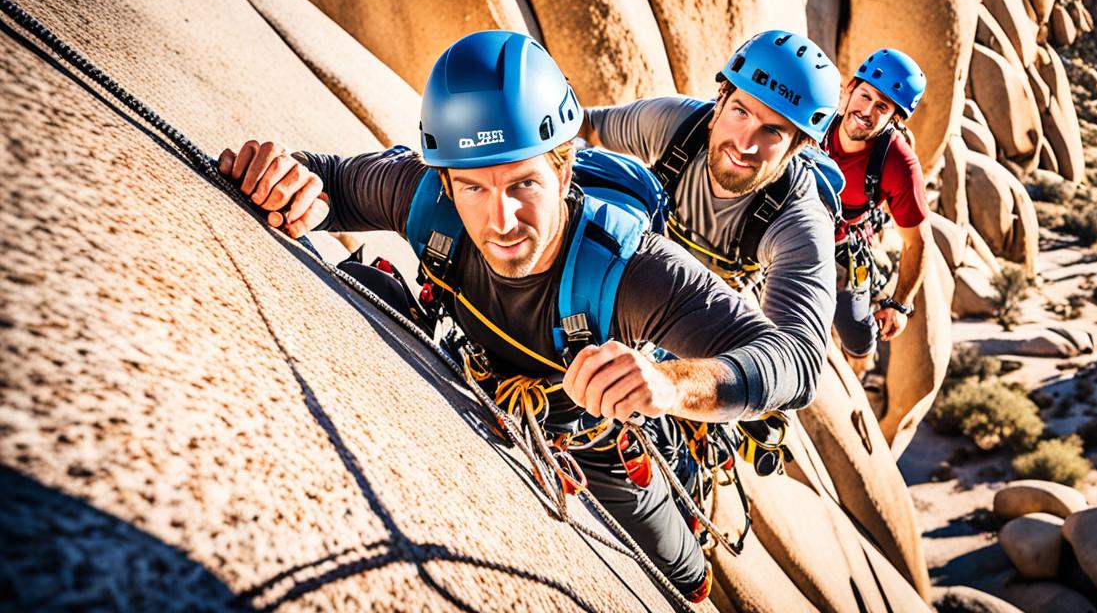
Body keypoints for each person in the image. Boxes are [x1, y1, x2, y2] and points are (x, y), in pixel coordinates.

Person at [217, 31, 821, 601]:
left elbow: (794, 362)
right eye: (474, 188)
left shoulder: (631, 268)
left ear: (563, 170)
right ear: (446, 180)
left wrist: (671, 385)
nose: (501, 220)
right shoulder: (425, 193)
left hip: (593, 435)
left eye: (524, 183)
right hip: (479, 368)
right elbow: (334, 182)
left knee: (682, 572)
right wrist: (287, 178)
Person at [579, 30, 842, 392]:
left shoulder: (798, 221)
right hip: (633, 275)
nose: (745, 144)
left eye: (772, 133)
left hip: (702, 316)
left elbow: (799, 360)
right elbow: (587, 126)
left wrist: (672, 385)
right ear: (720, 100)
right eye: (740, 112)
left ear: (797, 146)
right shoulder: (675, 126)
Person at [822, 49, 932, 411]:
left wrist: (900, 305)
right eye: (865, 96)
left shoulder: (898, 163)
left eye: (882, 107)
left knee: (856, 333)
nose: (867, 112)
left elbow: (917, 243)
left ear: (895, 118)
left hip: (841, 247)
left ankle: (860, 362)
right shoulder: (815, 119)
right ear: (849, 88)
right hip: (781, 228)